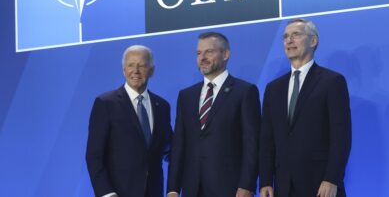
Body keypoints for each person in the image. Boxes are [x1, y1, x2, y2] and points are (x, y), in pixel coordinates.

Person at [259, 19, 352, 197]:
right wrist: (265, 181)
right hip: (283, 186)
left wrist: (332, 178)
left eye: (296, 35)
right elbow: (267, 140)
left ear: (313, 41)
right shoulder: (273, 88)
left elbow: (341, 136)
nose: (289, 40)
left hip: (320, 185)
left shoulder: (332, 82)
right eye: (285, 36)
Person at [167, 32, 261, 197]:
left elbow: (251, 142)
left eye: (209, 52)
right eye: (198, 53)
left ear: (225, 54)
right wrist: (173, 188)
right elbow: (179, 144)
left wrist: (247, 184)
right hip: (192, 188)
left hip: (230, 188)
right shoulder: (186, 96)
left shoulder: (244, 91)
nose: (202, 57)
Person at [86, 45, 173, 197]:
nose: (136, 71)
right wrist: (106, 193)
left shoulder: (162, 106)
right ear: (123, 70)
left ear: (152, 70)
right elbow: (94, 155)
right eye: (130, 65)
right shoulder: (106, 103)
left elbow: (168, 148)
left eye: (142, 65)